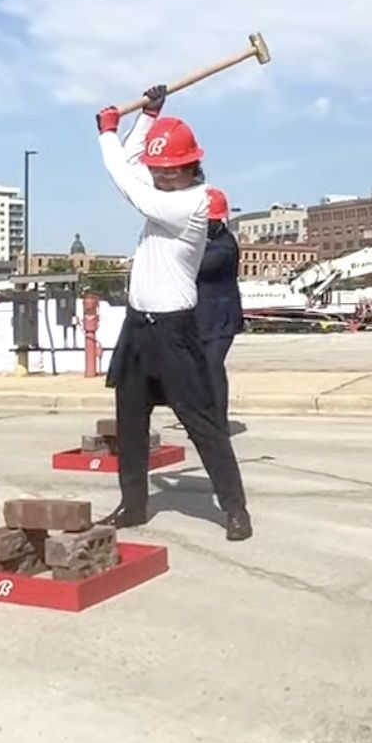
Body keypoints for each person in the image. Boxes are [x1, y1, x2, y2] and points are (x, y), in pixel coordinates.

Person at [95, 84, 252, 542]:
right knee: (130, 420)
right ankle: (133, 504)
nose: (162, 176)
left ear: (191, 167)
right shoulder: (166, 192)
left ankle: (235, 508)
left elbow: (127, 182)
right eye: (159, 170)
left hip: (174, 330)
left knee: (202, 422)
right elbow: (131, 168)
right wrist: (147, 118)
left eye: (171, 170)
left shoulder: (192, 205)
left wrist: (107, 133)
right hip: (137, 329)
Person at [195, 186, 242, 432]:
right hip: (200, 317)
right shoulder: (205, 241)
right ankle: (203, 416)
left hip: (220, 319)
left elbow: (194, 266)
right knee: (198, 368)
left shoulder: (223, 246)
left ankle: (218, 422)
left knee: (212, 365)